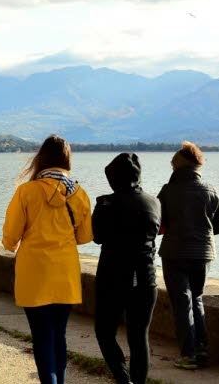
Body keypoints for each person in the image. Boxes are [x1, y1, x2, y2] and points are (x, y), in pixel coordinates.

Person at [2, 135, 92, 384]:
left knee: (42, 337)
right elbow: (85, 236)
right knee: (58, 335)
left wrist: (11, 245)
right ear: (67, 160)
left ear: (41, 158)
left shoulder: (27, 191)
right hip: (65, 272)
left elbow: (11, 236)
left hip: (34, 272)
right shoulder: (79, 193)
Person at [92, 153, 161, 384]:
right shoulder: (154, 202)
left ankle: (122, 377)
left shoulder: (105, 203)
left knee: (104, 331)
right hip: (146, 277)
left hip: (112, 277)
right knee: (139, 337)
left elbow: (97, 236)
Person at [158, 141, 219, 370]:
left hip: (175, 253)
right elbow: (218, 228)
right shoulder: (210, 190)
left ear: (178, 166)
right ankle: (203, 348)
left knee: (181, 303)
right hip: (204, 252)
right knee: (197, 298)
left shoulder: (168, 191)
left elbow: (159, 225)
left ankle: (188, 354)